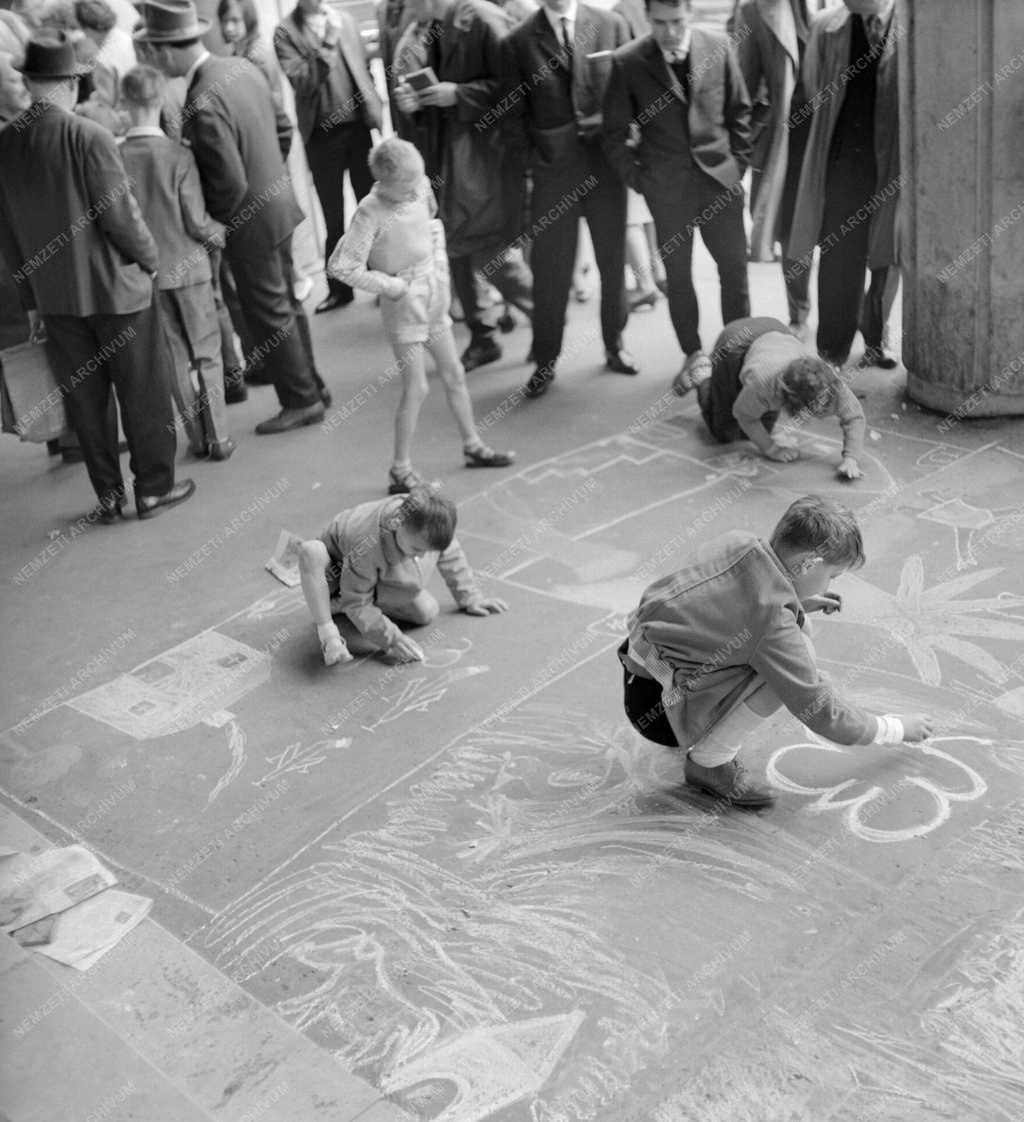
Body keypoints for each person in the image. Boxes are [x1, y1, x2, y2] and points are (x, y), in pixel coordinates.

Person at [620, 495, 934, 807]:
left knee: (787, 641)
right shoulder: (772, 622)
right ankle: (710, 762)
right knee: (795, 659)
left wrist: (794, 602)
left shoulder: (738, 543)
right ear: (807, 564)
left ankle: (700, 732)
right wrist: (894, 728)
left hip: (641, 678)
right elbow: (819, 710)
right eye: (830, 577)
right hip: (659, 716)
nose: (827, 588)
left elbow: (714, 604)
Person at [0, 30, 193, 520]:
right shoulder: (89, 135)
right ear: (69, 83)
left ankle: (108, 497)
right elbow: (121, 216)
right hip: (117, 293)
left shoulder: (6, 144)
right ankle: (153, 489)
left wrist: (30, 300)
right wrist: (151, 260)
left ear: (29, 82)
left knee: (86, 402)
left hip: (56, 300)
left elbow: (9, 236)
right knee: (143, 391)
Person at [139, 0, 329, 436]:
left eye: (152, 51)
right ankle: (312, 388)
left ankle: (302, 400)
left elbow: (228, 180)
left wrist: (217, 226)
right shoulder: (242, 69)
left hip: (249, 222)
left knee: (270, 315)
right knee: (288, 305)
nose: (152, 59)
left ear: (167, 52)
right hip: (278, 206)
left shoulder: (201, 98)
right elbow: (283, 130)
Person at [328, 138, 514, 495]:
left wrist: (440, 265)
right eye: (408, 185)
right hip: (404, 305)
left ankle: (473, 444)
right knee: (417, 387)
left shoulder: (419, 185)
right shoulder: (370, 211)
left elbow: (431, 224)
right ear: (384, 181)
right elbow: (341, 266)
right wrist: (392, 287)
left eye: (418, 180)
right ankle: (400, 469)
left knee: (455, 374)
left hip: (432, 292)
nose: (417, 189)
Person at [603, 0, 752, 396]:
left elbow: (741, 111)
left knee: (734, 270)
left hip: (720, 182)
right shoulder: (628, 61)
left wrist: (738, 165)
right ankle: (693, 354)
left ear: (689, 15)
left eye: (677, 22)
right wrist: (640, 180)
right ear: (647, 19)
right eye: (659, 23)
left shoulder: (719, 44)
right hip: (665, 189)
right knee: (679, 276)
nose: (669, 31)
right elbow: (614, 133)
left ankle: (738, 353)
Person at [503, 0, 638, 399]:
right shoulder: (518, 41)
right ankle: (545, 361)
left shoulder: (611, 25)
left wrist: (625, 146)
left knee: (612, 262)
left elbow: (630, 92)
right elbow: (511, 118)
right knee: (551, 271)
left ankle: (615, 345)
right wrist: (537, 159)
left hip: (605, 169)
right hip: (553, 175)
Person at [392, 0, 534, 375]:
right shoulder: (442, 26)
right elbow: (439, 91)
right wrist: (415, 104)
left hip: (484, 156)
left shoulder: (483, 19)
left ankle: (543, 315)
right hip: (451, 156)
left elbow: (518, 87)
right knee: (455, 245)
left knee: (489, 247)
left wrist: (459, 94)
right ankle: (483, 333)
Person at [119, 64, 234, 461]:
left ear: (124, 102)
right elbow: (197, 221)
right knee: (207, 352)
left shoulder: (115, 158)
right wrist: (224, 231)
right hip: (191, 268)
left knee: (174, 359)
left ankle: (195, 438)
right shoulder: (179, 156)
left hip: (148, 276)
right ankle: (219, 436)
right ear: (159, 101)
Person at [787, 0, 900, 369]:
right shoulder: (825, 26)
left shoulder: (914, 22)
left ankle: (875, 338)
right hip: (843, 163)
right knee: (838, 259)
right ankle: (831, 353)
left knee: (886, 258)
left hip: (893, 163)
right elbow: (811, 88)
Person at [298, 485, 509, 667]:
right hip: (338, 570)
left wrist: (469, 596)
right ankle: (328, 621)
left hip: (376, 570)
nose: (424, 556)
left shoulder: (433, 523)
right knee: (312, 552)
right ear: (397, 524)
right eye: (418, 549)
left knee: (426, 611)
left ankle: (343, 604)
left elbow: (450, 553)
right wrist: (392, 639)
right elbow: (358, 601)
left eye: (429, 551)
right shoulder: (366, 541)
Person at [274, 0, 381, 315]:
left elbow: (362, 70)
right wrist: (328, 42)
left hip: (359, 128)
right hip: (321, 135)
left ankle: (381, 281)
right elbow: (302, 81)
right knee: (332, 216)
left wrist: (375, 106)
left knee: (372, 209)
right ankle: (339, 290)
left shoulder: (344, 19)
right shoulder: (285, 32)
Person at [730, 0, 822, 341]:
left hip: (841, 131)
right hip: (788, 137)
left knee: (848, 232)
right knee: (790, 229)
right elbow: (743, 85)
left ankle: (863, 324)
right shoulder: (756, 10)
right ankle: (798, 312)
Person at [697, 316, 865, 480]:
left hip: (775, 331)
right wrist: (771, 449)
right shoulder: (766, 386)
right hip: (735, 343)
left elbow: (855, 416)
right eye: (816, 408)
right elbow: (742, 414)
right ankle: (702, 376)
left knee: (758, 431)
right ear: (791, 399)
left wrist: (851, 458)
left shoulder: (829, 382)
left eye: (825, 403)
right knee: (725, 432)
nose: (823, 411)